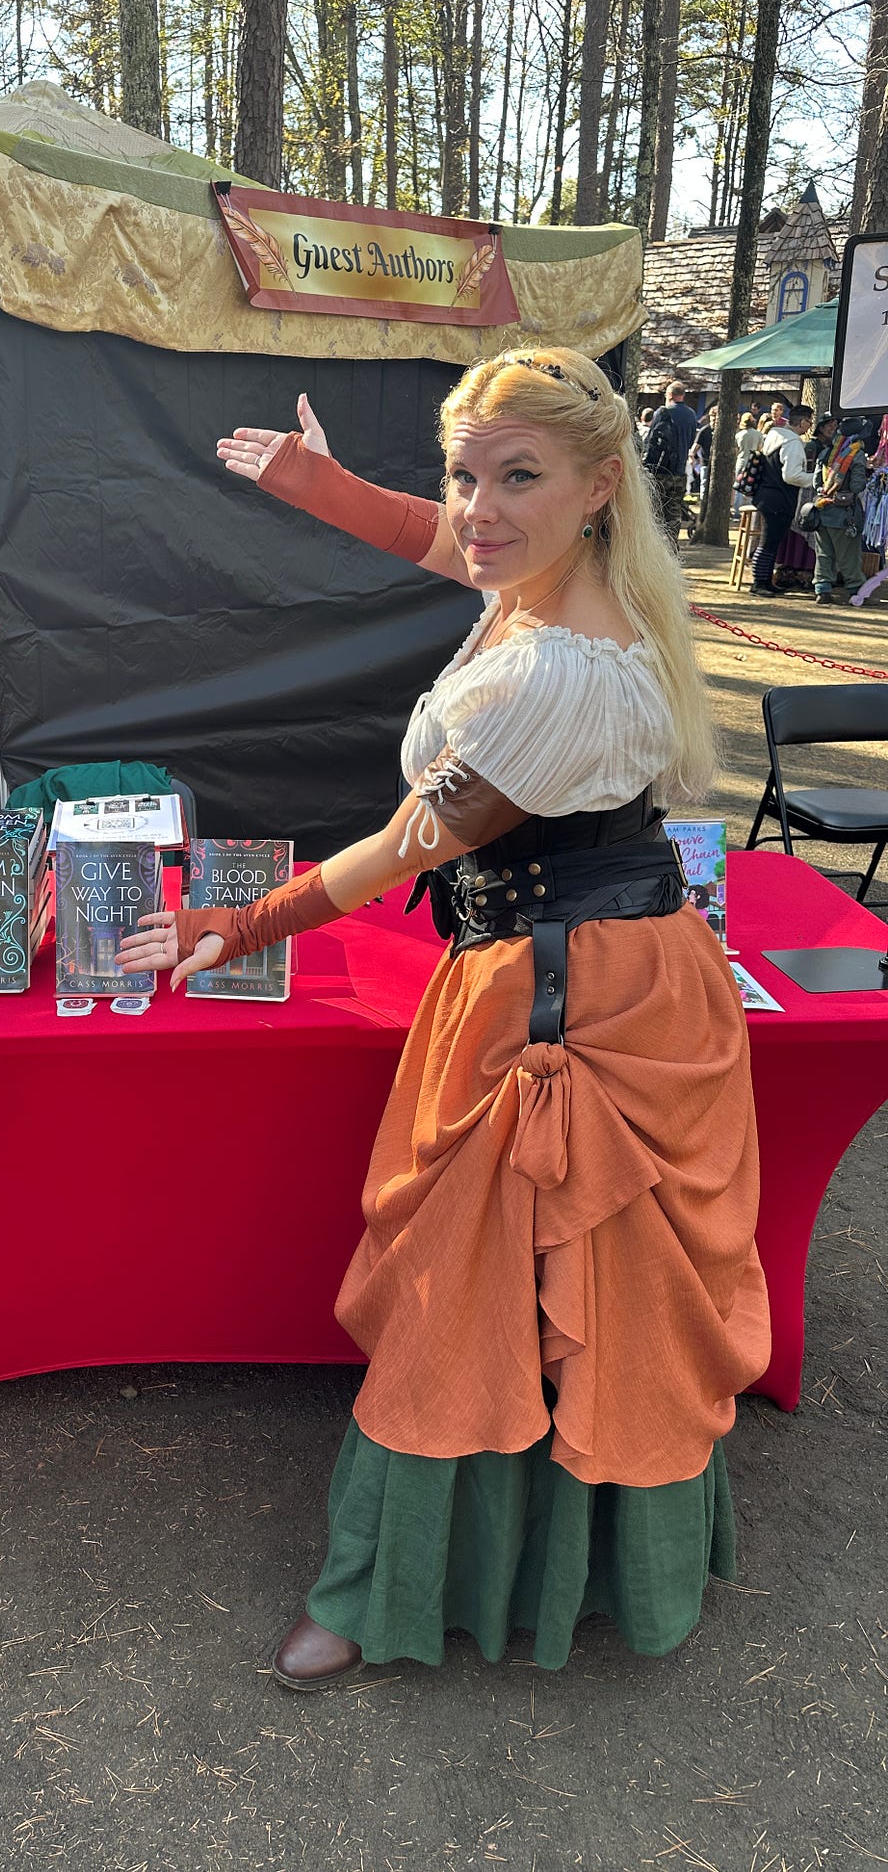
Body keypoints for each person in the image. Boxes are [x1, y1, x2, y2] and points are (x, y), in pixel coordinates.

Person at [119, 348, 770, 1685]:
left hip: (570, 1002)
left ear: (598, 487)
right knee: (516, 1281)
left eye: (515, 475)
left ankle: (383, 1587)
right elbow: (450, 543)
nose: (476, 505)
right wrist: (329, 488)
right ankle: (495, 1561)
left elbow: (406, 845)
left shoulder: (562, 678)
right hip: (559, 958)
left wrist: (240, 921)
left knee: (483, 1285)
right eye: (464, 468)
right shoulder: (549, 584)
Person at [749, 404, 815, 596]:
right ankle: (759, 583)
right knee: (768, 542)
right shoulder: (792, 442)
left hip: (767, 495)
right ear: (802, 422)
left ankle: (765, 580)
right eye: (809, 422)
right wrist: (815, 479)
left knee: (771, 541)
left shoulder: (773, 435)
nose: (809, 426)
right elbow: (791, 475)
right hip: (779, 498)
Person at [809, 419, 872, 604]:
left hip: (822, 510)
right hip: (845, 515)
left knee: (824, 554)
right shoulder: (856, 455)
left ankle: (822, 590)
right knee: (849, 555)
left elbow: (816, 484)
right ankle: (856, 591)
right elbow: (857, 485)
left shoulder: (826, 452)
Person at [641, 381, 699, 540]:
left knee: (655, 511)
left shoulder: (663, 412)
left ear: (670, 395)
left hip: (661, 470)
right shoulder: (692, 415)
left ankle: (655, 548)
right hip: (680, 471)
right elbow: (692, 439)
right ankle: (672, 547)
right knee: (674, 512)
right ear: (683, 395)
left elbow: (653, 442)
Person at [733, 411, 764, 517]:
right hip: (753, 461)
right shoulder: (758, 434)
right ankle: (750, 512)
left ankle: (737, 511)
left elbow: (736, 451)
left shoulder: (738, 435)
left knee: (739, 486)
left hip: (741, 460)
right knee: (752, 487)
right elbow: (760, 448)